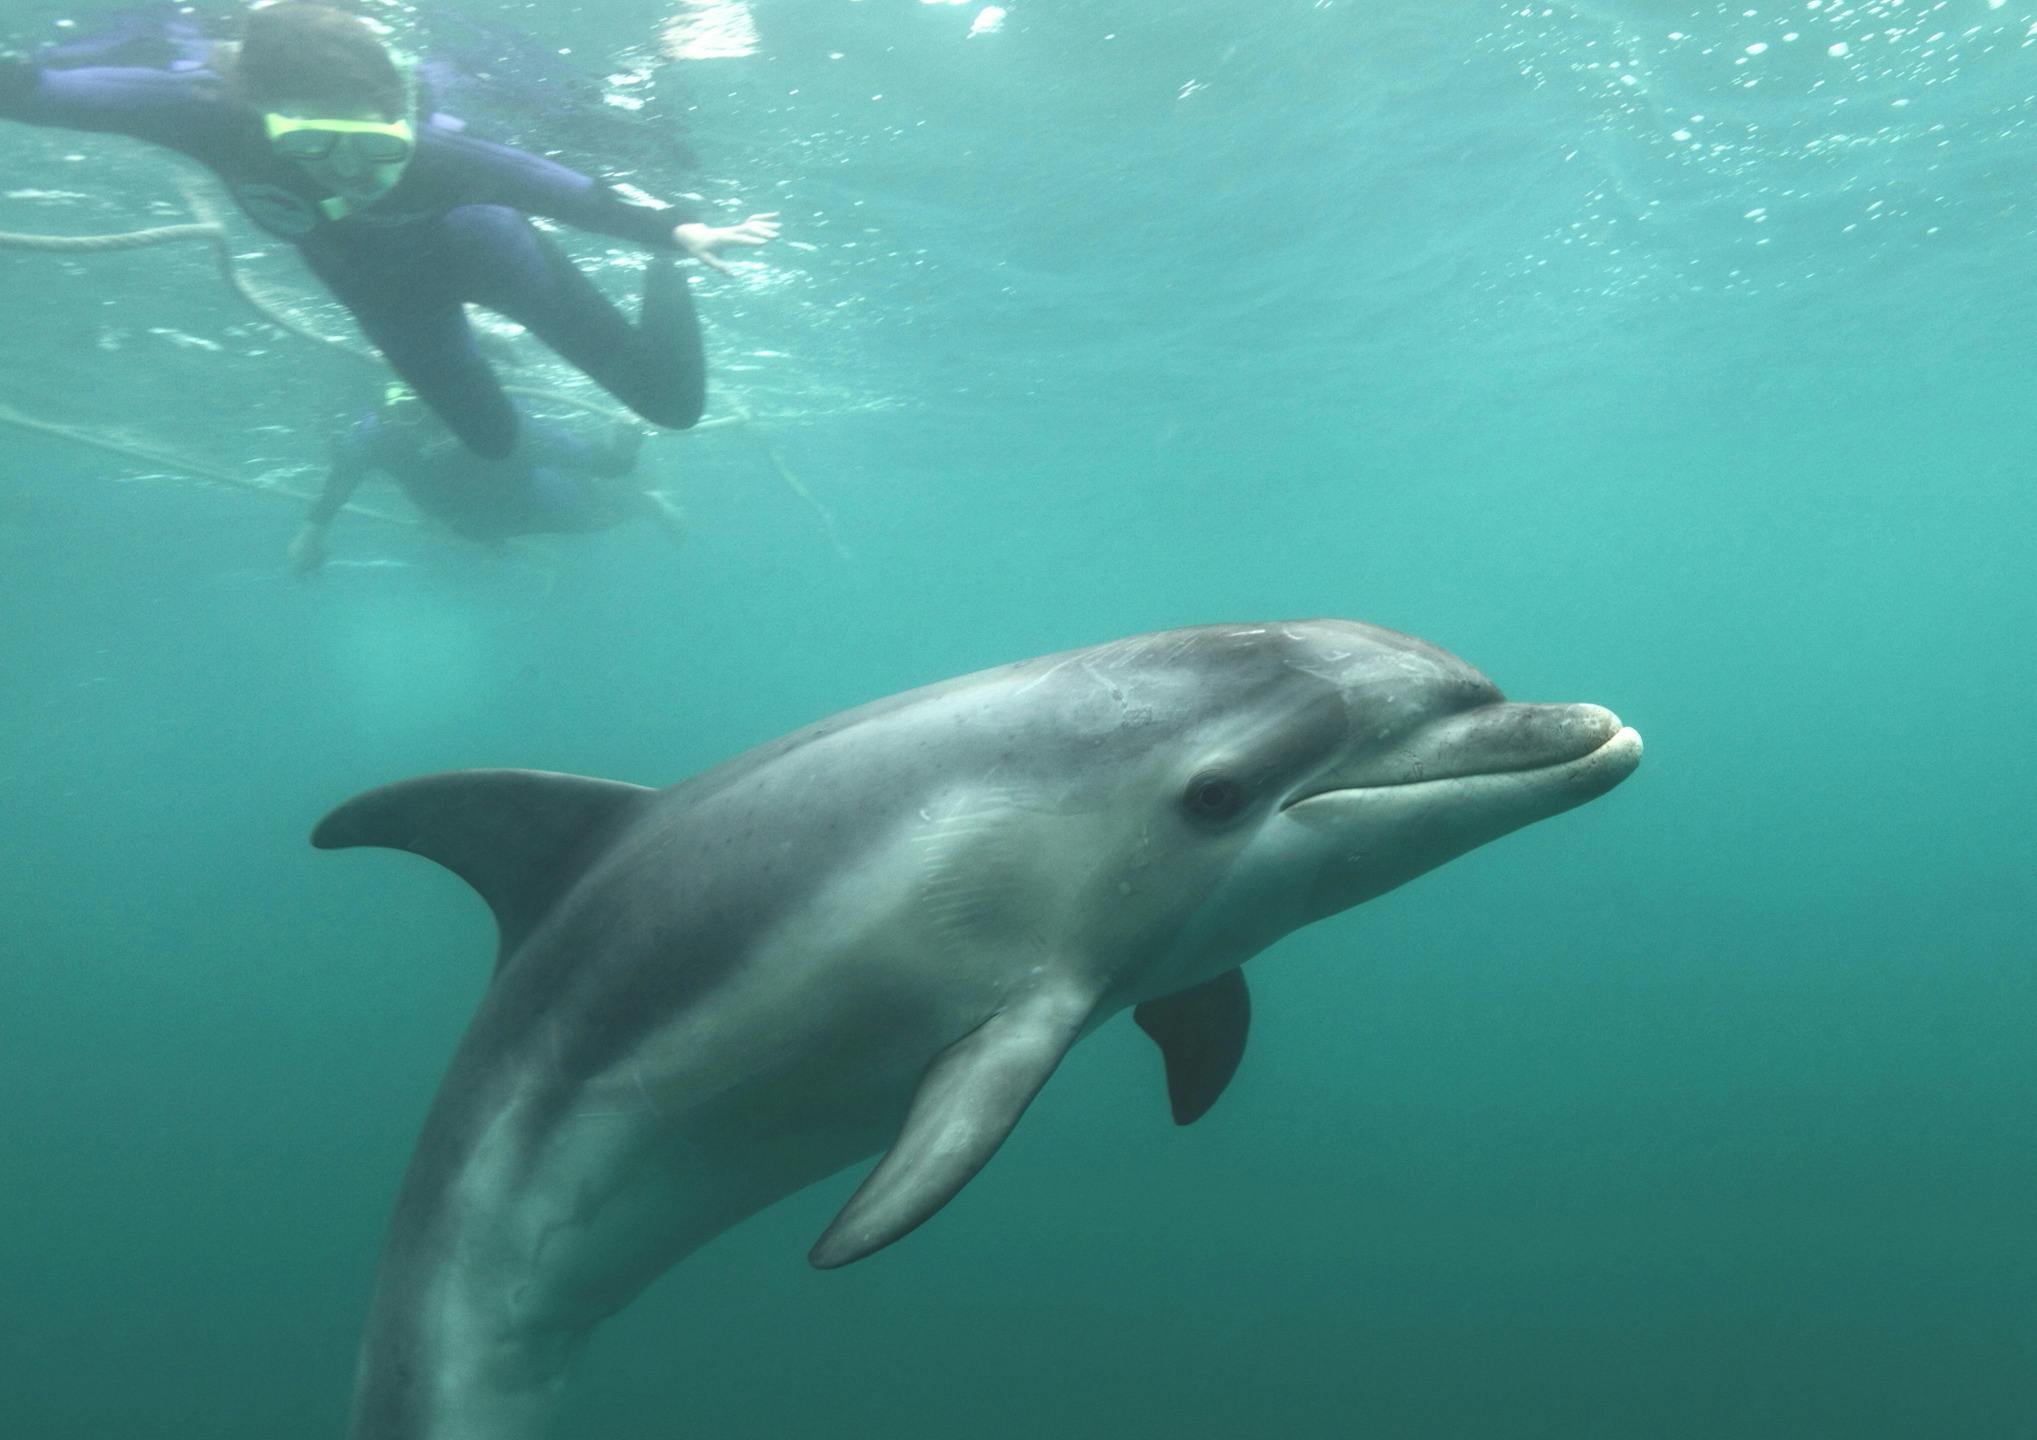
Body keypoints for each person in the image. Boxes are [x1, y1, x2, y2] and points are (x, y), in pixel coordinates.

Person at [0, 2, 777, 458]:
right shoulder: (205, 114)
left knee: (672, 407)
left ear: (398, 113)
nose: (349, 172)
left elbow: (561, 190)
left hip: (491, 254)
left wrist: (677, 236)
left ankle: (663, 286)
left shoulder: (440, 156)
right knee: (492, 444)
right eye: (312, 151)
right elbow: (39, 90)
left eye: (375, 148)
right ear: (260, 116)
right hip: (388, 303)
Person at [288, 384, 687, 572]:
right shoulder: (381, 436)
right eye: (412, 412)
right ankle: (494, 543)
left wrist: (624, 445)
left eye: (440, 411)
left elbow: (598, 462)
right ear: (393, 414)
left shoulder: (505, 424)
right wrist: (311, 534)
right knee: (475, 532)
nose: (432, 427)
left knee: (598, 513)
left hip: (541, 506)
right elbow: (344, 474)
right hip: (471, 522)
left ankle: (651, 503)